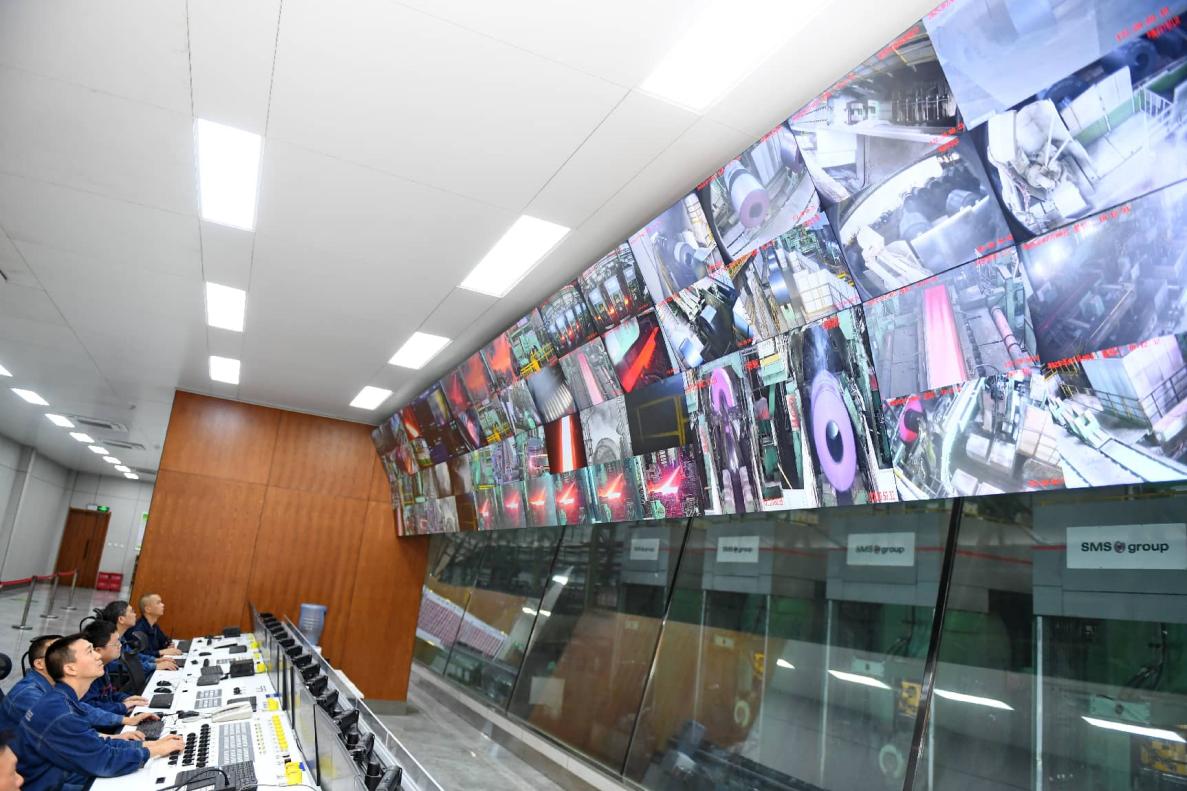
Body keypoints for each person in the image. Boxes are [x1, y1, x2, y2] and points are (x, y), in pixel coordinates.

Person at [16, 635, 182, 791]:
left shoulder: (62, 700)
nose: (98, 655)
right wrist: (153, 751)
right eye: (90, 651)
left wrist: (151, 745)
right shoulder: (60, 713)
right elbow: (104, 761)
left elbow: (94, 744)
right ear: (70, 668)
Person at [0, 635, 157, 739]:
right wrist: (115, 737)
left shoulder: (54, 686)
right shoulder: (29, 695)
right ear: (39, 664)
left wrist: (125, 720)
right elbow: (70, 730)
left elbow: (80, 708)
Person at [79, 621, 149, 716]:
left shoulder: (104, 665)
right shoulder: (87, 675)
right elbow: (89, 708)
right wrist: (122, 707)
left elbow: (108, 693)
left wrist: (125, 698)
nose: (120, 645)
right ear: (98, 650)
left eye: (119, 641)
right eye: (115, 643)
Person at [96, 601, 176, 673]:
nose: (135, 614)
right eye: (132, 611)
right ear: (121, 619)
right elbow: (120, 665)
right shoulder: (110, 642)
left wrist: (155, 660)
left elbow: (133, 655)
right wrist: (154, 666)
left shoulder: (121, 637)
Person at [127, 595, 181, 659]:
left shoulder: (153, 625)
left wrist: (168, 644)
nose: (163, 605)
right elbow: (140, 655)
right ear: (148, 609)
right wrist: (160, 652)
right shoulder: (138, 630)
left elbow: (164, 640)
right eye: (158, 603)